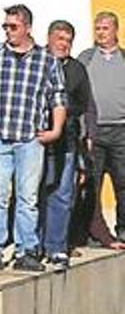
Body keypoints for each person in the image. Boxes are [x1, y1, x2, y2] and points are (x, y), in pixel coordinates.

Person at [0, 4, 67, 272]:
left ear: (27, 27)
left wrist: (56, 129)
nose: (8, 31)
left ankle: (27, 249)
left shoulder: (46, 60)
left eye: (13, 26)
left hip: (29, 138)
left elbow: (58, 98)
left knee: (28, 197)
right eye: (5, 26)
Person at [41, 20, 96, 268]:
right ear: (49, 38)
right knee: (35, 193)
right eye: (59, 39)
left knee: (63, 194)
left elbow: (86, 104)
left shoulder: (76, 69)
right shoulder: (36, 61)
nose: (63, 44)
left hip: (68, 140)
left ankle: (56, 246)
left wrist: (89, 137)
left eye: (68, 40)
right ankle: (33, 246)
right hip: (38, 138)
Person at [77, 11, 125, 242]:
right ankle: (94, 233)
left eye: (105, 28)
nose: (101, 33)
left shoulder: (124, 58)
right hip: (94, 133)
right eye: (97, 28)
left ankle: (123, 228)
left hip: (121, 131)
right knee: (92, 184)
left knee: (123, 182)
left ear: (116, 30)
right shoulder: (86, 58)